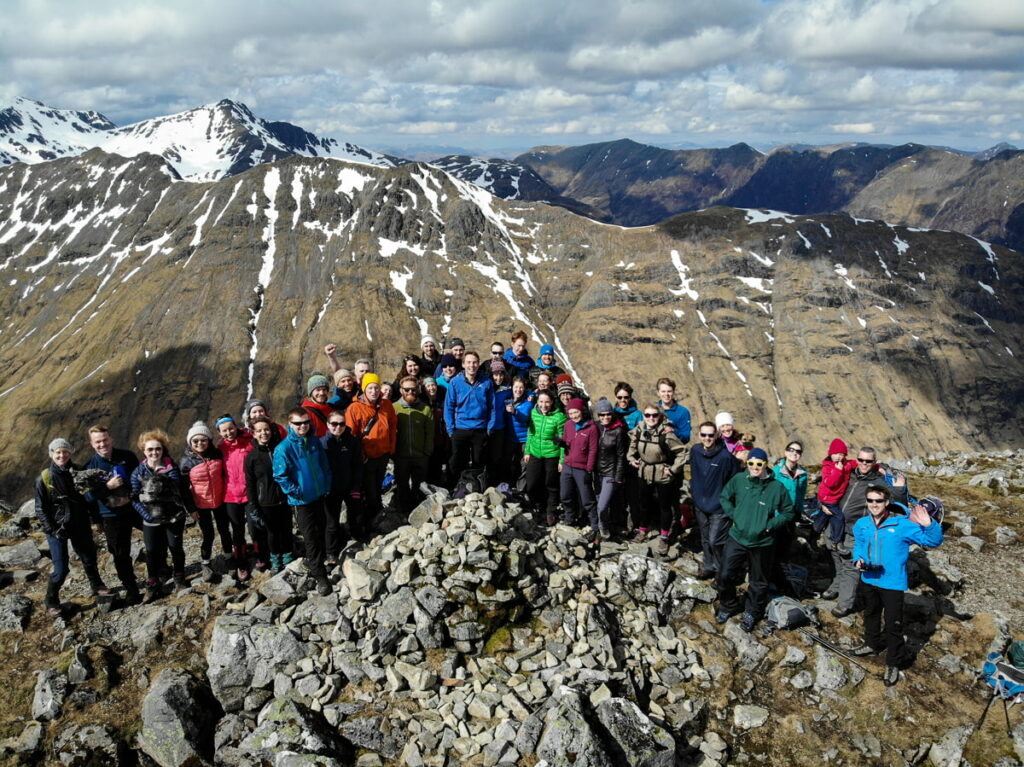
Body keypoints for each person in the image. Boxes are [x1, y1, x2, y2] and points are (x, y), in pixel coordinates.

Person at [851, 487, 943, 686]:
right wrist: (857, 559)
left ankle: (894, 662)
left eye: (878, 501)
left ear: (887, 502)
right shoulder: (862, 524)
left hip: (892, 583)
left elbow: (933, 541)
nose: (874, 504)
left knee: (894, 624)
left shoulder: (902, 525)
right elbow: (858, 544)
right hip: (868, 578)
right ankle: (872, 644)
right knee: (870, 615)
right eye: (870, 500)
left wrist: (929, 524)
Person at [715, 447, 796, 632]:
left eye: (759, 464)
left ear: (765, 465)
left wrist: (770, 525)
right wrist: (735, 515)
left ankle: (752, 612)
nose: (754, 467)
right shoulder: (739, 480)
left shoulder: (776, 488)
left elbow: (788, 512)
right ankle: (728, 605)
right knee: (725, 574)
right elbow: (725, 497)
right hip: (737, 538)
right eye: (751, 463)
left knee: (758, 582)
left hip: (763, 542)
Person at [825, 447, 908, 617]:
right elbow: (831, 487)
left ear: (874, 462)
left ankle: (844, 603)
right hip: (835, 525)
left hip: (856, 530)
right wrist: (824, 504)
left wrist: (900, 490)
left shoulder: (880, 482)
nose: (864, 464)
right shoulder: (849, 473)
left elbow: (896, 505)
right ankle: (836, 586)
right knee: (835, 557)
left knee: (850, 566)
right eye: (861, 460)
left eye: (868, 461)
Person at [35, 438, 111, 617]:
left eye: (65, 451)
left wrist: (96, 520)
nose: (61, 455)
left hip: (80, 523)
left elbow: (89, 497)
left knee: (88, 558)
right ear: (52, 454)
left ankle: (97, 585)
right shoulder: (44, 479)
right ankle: (51, 600)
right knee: (61, 569)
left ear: (70, 453)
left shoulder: (79, 472)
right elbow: (40, 509)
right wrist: (52, 529)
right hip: (57, 528)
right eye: (57, 452)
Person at [273, 407, 333, 595]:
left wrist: (326, 483)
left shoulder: (313, 441)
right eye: (298, 423)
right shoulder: (284, 448)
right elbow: (280, 476)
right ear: (290, 425)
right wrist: (297, 492)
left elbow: (324, 464)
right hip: (301, 501)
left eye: (306, 422)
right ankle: (319, 575)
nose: (303, 426)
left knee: (322, 529)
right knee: (311, 536)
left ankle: (317, 561)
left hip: (319, 495)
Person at [83, 425, 141, 603]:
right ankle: (131, 587)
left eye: (105, 439)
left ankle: (160, 572)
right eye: (98, 442)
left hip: (135, 508)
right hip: (110, 516)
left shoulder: (127, 456)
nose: (102, 444)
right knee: (120, 553)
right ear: (92, 444)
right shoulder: (90, 467)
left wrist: (130, 497)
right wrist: (107, 487)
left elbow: (141, 478)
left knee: (157, 537)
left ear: (111, 439)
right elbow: (87, 496)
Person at [130, 430, 187, 602]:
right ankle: (152, 582)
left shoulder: (172, 468)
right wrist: (146, 516)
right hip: (151, 518)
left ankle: (179, 577)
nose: (154, 453)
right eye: (150, 450)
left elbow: (177, 490)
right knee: (152, 551)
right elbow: (134, 498)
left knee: (175, 546)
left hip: (173, 516)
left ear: (163, 450)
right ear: (144, 451)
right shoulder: (137, 472)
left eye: (158, 449)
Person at [627, 404, 687, 555]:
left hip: (663, 474)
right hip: (644, 471)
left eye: (654, 415)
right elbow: (632, 444)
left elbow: (683, 452)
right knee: (644, 503)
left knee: (664, 506)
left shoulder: (667, 434)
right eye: (647, 415)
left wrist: (673, 470)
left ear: (660, 417)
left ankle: (664, 537)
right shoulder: (639, 429)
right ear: (644, 416)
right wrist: (630, 458)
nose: (651, 418)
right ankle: (643, 530)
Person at [689, 421, 742, 580]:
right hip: (700, 504)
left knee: (716, 541)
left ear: (717, 435)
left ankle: (722, 571)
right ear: (699, 435)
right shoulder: (695, 451)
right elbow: (693, 472)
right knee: (705, 539)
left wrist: (729, 502)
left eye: (711, 435)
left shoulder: (725, 456)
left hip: (719, 507)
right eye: (703, 435)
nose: (707, 438)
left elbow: (735, 480)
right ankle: (708, 567)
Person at [179, 421, 229, 583]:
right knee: (208, 534)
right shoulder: (186, 462)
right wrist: (191, 509)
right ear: (190, 442)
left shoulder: (217, 454)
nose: (200, 443)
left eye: (203, 440)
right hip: (201, 504)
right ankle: (206, 562)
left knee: (224, 529)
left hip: (220, 500)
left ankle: (229, 556)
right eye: (195, 441)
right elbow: (184, 490)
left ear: (209, 440)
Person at [345, 373, 397, 522]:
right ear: (364, 390)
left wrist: (391, 447)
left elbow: (393, 426)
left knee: (378, 483)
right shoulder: (354, 408)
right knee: (370, 488)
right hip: (367, 456)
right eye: (370, 388)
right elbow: (352, 435)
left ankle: (376, 511)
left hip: (383, 453)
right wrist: (359, 454)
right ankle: (373, 514)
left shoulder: (386, 405)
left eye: (376, 388)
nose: (373, 391)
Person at [244, 417, 292, 573]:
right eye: (259, 431)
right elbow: (250, 483)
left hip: (284, 498)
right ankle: (275, 557)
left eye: (266, 429)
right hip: (266, 501)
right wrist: (253, 505)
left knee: (286, 528)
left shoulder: (280, 449)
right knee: (272, 532)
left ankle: (288, 555)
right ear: (253, 434)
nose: (263, 433)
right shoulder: (251, 457)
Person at [217, 415, 262, 580]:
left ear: (236, 427)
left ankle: (259, 555)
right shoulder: (220, 448)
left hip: (249, 493)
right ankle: (241, 562)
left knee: (254, 526)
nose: (229, 432)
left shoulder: (249, 441)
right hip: (230, 495)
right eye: (224, 430)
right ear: (219, 432)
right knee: (237, 530)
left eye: (231, 428)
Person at [443, 351, 493, 482]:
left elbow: (491, 407)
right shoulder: (455, 382)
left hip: (480, 429)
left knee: (479, 461)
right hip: (460, 428)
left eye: (475, 362)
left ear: (478, 364)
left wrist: (489, 427)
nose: (472, 365)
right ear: (463, 364)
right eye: (469, 362)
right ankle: (455, 487)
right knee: (457, 460)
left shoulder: (486, 382)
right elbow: (448, 407)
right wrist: (450, 429)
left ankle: (477, 488)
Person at [519, 391, 566, 524]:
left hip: (552, 455)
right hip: (535, 453)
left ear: (552, 402)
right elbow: (530, 433)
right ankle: (539, 506)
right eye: (541, 402)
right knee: (532, 484)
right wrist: (527, 451)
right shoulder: (534, 413)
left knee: (550, 484)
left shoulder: (559, 417)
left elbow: (563, 441)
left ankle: (551, 511)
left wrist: (562, 460)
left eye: (547, 402)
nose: (543, 405)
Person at [321, 409, 364, 552]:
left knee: (356, 518)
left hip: (350, 486)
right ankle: (331, 552)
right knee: (331, 523)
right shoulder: (322, 444)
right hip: (331, 489)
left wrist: (356, 487)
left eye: (341, 424)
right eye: (334, 423)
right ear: (327, 424)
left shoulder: (352, 441)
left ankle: (358, 543)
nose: (338, 427)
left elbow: (358, 464)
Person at [392, 376, 434, 514]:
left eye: (414, 389)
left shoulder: (425, 409)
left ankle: (420, 513)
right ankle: (404, 513)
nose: (410, 391)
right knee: (402, 486)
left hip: (420, 456)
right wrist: (393, 453)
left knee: (419, 486)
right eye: (407, 389)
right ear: (401, 390)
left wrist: (427, 452)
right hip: (401, 456)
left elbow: (430, 433)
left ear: (418, 390)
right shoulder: (394, 408)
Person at [558, 398, 598, 530]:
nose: (574, 415)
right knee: (565, 495)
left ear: (582, 411)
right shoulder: (568, 425)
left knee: (587, 499)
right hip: (568, 465)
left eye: (576, 412)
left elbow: (593, 450)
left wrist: (589, 469)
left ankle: (595, 525)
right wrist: (560, 443)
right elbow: (566, 441)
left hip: (582, 468)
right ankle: (570, 517)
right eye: (571, 413)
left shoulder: (591, 428)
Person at [593, 397, 628, 541]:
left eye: (608, 414)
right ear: (598, 415)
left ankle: (603, 526)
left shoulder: (618, 431)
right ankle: (601, 525)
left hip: (610, 473)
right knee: (598, 501)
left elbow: (621, 455)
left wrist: (618, 476)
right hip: (597, 472)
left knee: (602, 505)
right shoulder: (595, 427)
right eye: (602, 414)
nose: (605, 417)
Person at [611, 382, 643, 533]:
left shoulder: (638, 415)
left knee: (632, 494)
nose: (623, 400)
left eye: (626, 397)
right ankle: (618, 523)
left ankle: (634, 524)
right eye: (620, 397)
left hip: (632, 458)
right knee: (617, 492)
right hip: (616, 458)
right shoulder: (611, 413)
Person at [817, 438, 858, 544]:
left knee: (825, 514)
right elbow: (830, 483)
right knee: (838, 517)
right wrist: (838, 471)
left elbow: (857, 463)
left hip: (835, 497)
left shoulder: (846, 464)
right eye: (835, 453)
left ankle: (815, 529)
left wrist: (876, 465)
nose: (838, 456)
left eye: (841, 454)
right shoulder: (827, 467)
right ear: (830, 454)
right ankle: (837, 539)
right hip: (828, 498)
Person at [486, 360, 513, 485]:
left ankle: (495, 482)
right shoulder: (486, 387)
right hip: (485, 426)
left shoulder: (507, 389)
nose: (498, 377)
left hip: (500, 427)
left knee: (497, 456)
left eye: (501, 374)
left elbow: (516, 397)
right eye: (496, 374)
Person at [504, 377, 532, 487]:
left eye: (521, 387)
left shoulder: (528, 403)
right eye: (516, 387)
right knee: (508, 462)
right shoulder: (507, 400)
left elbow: (524, 417)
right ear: (512, 388)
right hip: (510, 437)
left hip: (523, 439)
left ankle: (521, 488)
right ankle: (507, 485)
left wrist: (514, 411)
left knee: (523, 464)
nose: (518, 390)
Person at [423, 377, 449, 488]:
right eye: (428, 386)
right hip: (426, 438)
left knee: (437, 462)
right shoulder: (422, 402)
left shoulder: (443, 401)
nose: (431, 388)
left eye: (433, 385)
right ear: (424, 389)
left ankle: (438, 485)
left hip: (440, 436)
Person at [655, 378, 691, 444]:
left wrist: (673, 431)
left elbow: (686, 437)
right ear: (658, 393)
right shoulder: (652, 410)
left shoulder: (683, 412)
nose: (666, 394)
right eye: (663, 391)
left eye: (669, 391)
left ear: (674, 392)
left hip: (673, 449)